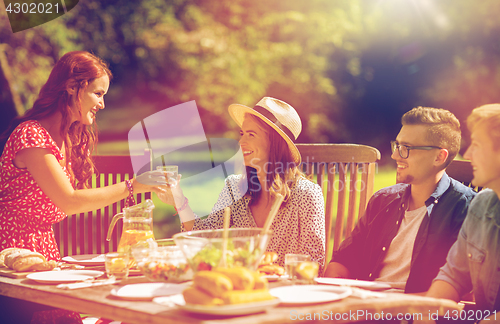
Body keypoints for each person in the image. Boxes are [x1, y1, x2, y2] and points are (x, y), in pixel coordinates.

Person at [0, 51, 166, 262]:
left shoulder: (69, 140)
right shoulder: (31, 135)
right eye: (98, 94)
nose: (102, 104)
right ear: (71, 87)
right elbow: (69, 202)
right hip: (12, 252)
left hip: (43, 250)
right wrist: (133, 185)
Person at [158, 97, 326, 271]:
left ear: (275, 143)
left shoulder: (307, 194)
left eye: (251, 135)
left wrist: (274, 274)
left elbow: (314, 261)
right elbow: (207, 240)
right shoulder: (233, 188)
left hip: (287, 292)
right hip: (238, 289)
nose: (241, 142)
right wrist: (179, 199)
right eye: (242, 134)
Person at [324, 107, 477, 293]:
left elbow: (455, 287)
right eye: (397, 146)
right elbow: (344, 260)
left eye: (406, 148)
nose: (395, 155)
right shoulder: (383, 200)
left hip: (415, 314)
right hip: (364, 309)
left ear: (439, 156)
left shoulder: (466, 209)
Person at [426, 104, 500, 314]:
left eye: (476, 145)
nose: (468, 153)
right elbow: (453, 276)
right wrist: (427, 312)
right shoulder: (482, 206)